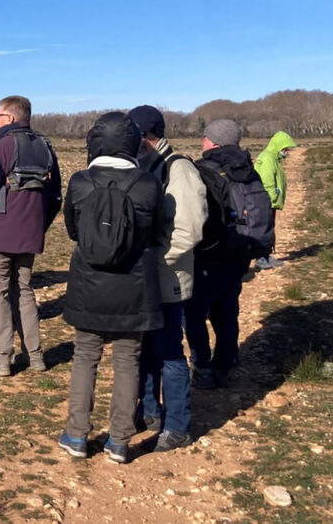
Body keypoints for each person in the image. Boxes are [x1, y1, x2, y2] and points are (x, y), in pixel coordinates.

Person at [57, 112, 164, 464]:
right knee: (127, 362)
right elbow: (156, 230)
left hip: (90, 283)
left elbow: (73, 231)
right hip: (135, 286)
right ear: (132, 142)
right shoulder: (148, 183)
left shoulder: (80, 182)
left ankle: (76, 434)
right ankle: (118, 442)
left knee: (85, 357)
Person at [0, 96, 62, 376]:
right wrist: (39, 225)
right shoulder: (44, 146)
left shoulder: (1, 145)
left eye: (0, 116)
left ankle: (1, 358)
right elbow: (55, 196)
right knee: (24, 292)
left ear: (11, 118)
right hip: (29, 234)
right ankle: (36, 356)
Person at [128, 106, 208, 452]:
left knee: (170, 352)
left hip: (168, 278)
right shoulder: (144, 166)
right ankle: (149, 412)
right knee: (144, 349)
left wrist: (153, 259)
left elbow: (188, 231)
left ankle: (177, 425)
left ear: (146, 136)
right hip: (144, 279)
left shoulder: (180, 169)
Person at [187, 119, 265, 389]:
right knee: (227, 307)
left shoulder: (203, 169)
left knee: (194, 311)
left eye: (205, 137)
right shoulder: (248, 169)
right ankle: (226, 362)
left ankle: (202, 365)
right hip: (241, 249)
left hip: (208, 253)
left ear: (214, 141)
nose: (202, 141)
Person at [253, 131, 297, 269]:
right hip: (265, 201)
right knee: (263, 229)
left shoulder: (273, 158)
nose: (286, 152)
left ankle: (266, 255)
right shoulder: (267, 158)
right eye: (285, 149)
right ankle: (260, 258)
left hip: (268, 201)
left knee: (269, 228)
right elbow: (267, 182)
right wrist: (272, 198)